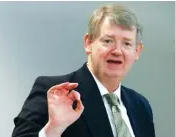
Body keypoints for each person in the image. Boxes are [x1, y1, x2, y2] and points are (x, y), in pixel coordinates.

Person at [12, 3, 155, 137]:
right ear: (88, 43)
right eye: (108, 41)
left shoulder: (141, 106)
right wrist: (53, 129)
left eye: (127, 44)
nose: (117, 51)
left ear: (137, 51)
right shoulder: (56, 93)